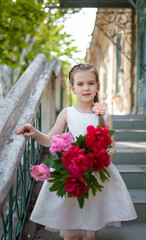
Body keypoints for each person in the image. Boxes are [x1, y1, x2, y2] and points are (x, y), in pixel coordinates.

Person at [16, 63, 137, 240]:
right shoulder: (67, 113)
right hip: (71, 175)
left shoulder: (104, 116)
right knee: (71, 231)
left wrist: (103, 154)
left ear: (97, 86)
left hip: (94, 175)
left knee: (90, 230)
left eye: (91, 83)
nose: (86, 88)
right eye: (80, 84)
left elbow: (111, 148)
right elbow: (50, 140)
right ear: (72, 88)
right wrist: (35, 133)